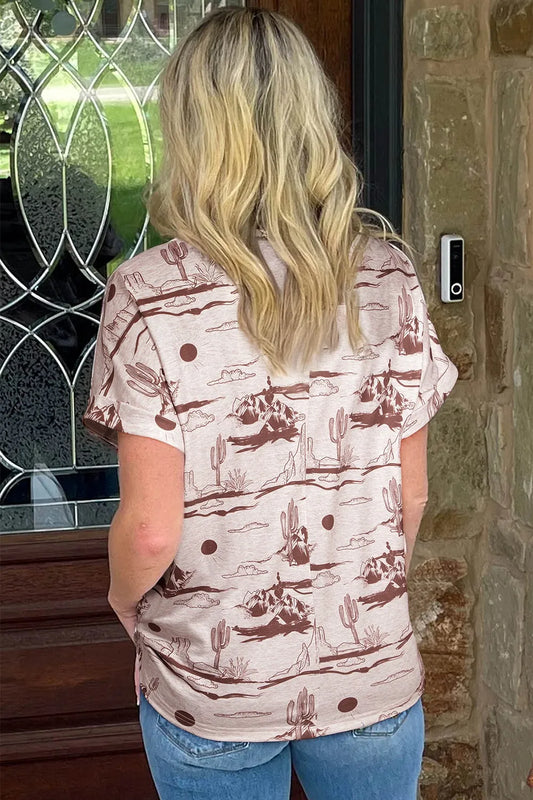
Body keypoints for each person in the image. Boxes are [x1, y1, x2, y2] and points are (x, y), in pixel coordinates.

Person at [82, 6, 459, 800]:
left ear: (192, 129)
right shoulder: (386, 277)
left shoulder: (147, 296)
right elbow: (411, 497)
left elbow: (150, 531)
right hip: (371, 681)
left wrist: (121, 601)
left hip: (215, 690)